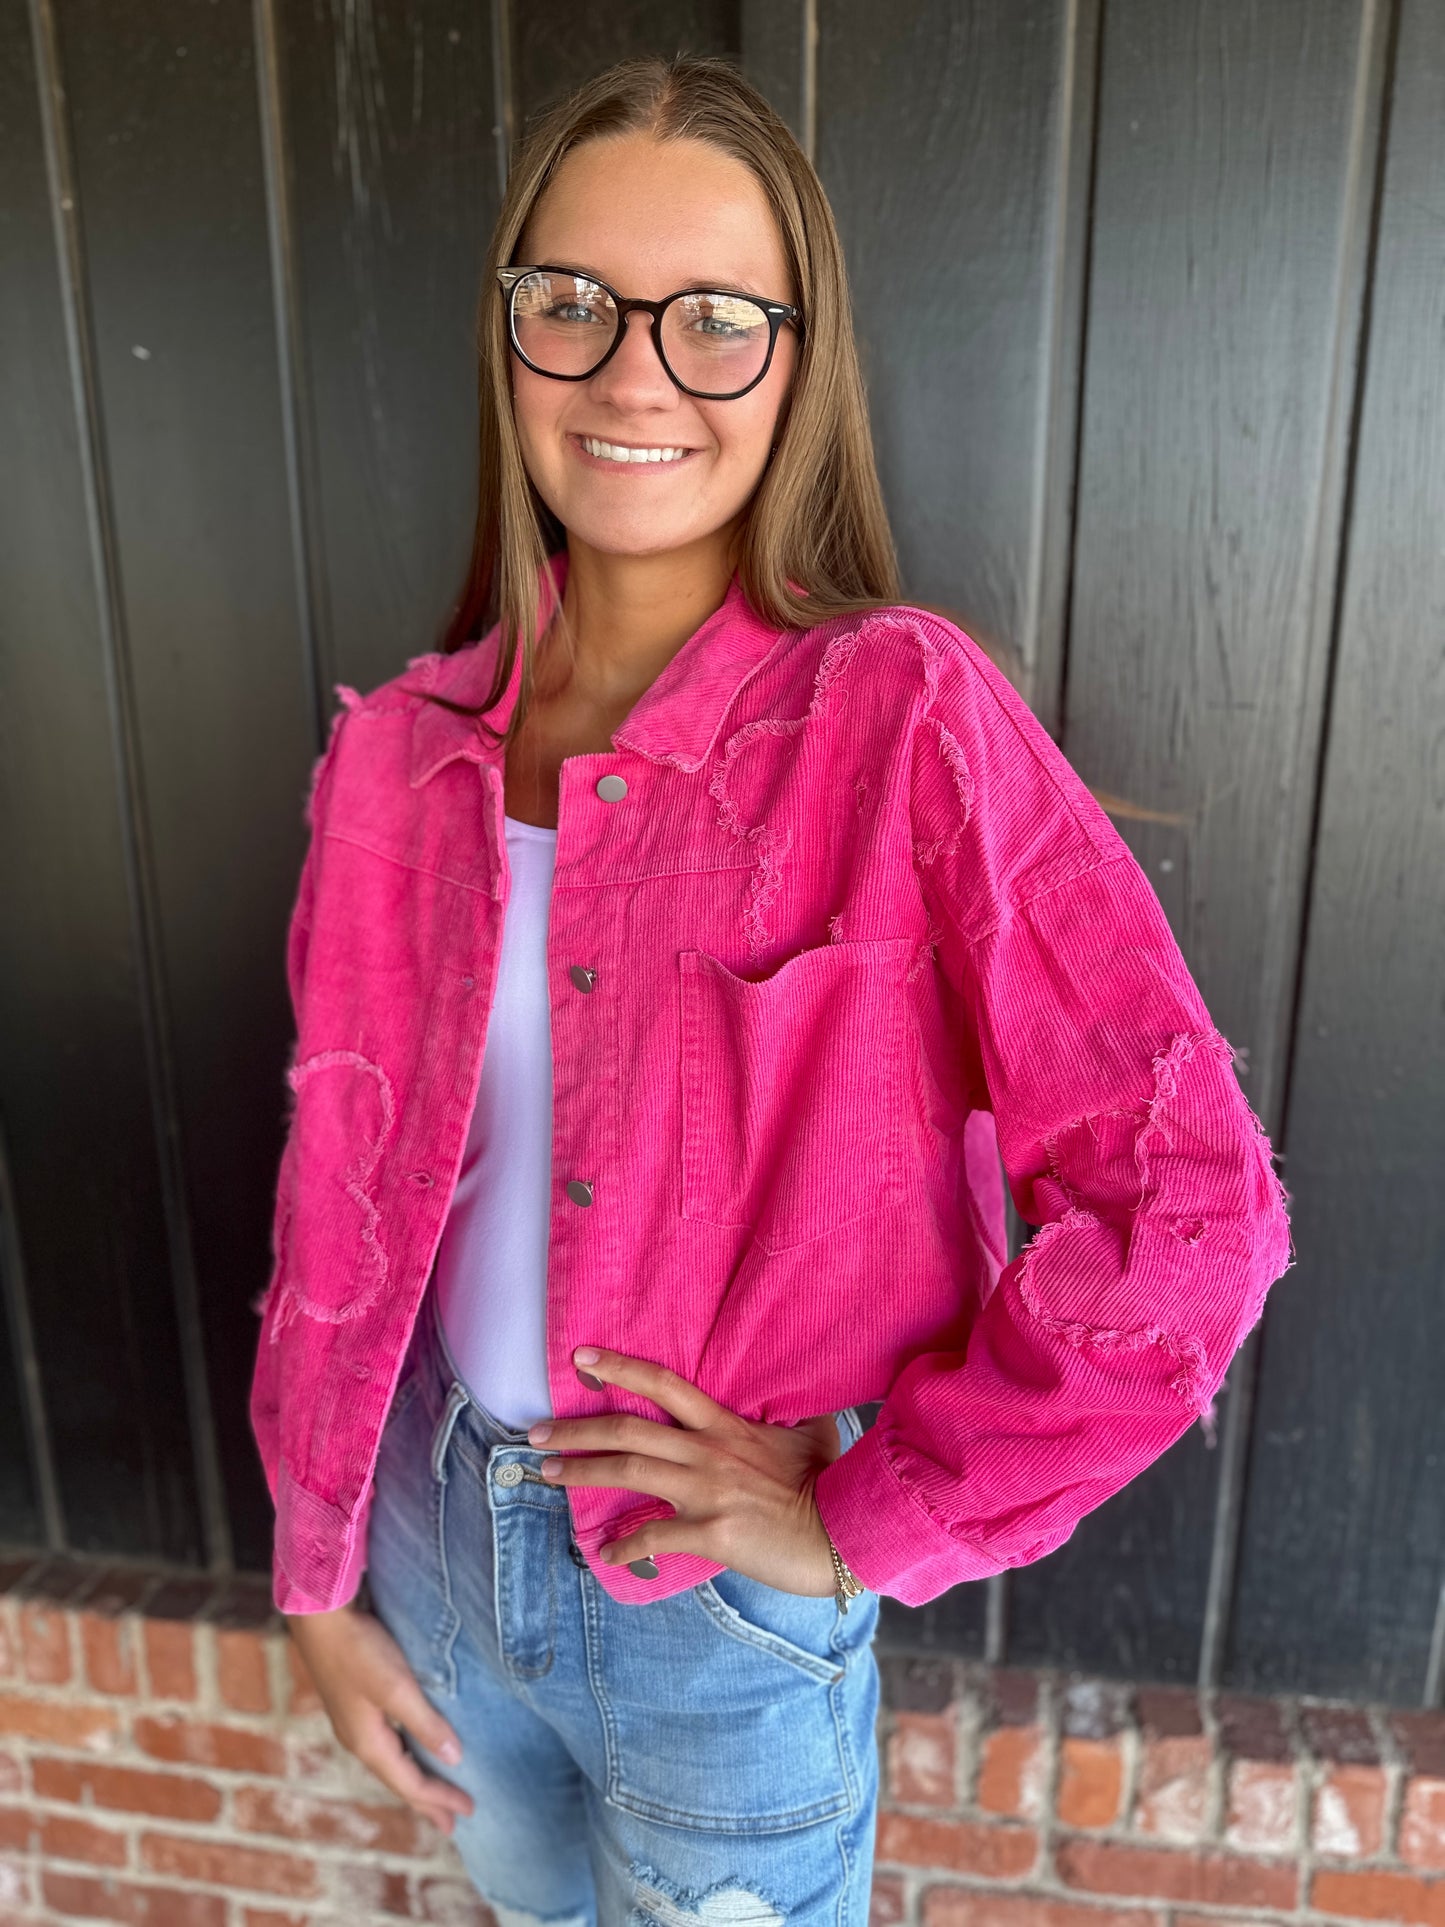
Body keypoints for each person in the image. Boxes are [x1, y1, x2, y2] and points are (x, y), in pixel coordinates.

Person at [249, 52, 1294, 1927]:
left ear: (797, 363)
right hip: (423, 1539)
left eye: (713, 320)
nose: (633, 372)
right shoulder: (395, 758)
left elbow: (1184, 1213)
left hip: (713, 1625)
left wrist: (861, 1516)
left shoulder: (898, 722)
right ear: (507, 336)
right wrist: (316, 1574)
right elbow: (335, 1187)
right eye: (571, 305)